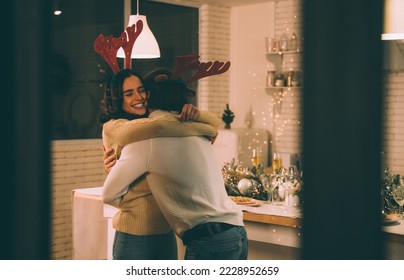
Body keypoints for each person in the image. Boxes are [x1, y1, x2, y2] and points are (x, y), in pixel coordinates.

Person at [102, 73, 248, 260]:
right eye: (129, 94)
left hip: (166, 229)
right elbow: (160, 127)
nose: (139, 97)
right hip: (135, 230)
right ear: (117, 99)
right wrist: (201, 126)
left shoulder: (156, 131)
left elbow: (161, 127)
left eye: (141, 90)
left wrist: (192, 115)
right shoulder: (126, 130)